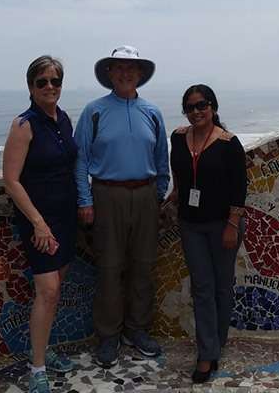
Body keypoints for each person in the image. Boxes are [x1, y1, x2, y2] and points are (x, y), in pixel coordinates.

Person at [74, 45, 170, 368]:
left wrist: (156, 196)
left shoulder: (153, 113)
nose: (126, 73)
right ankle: (108, 336)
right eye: (119, 67)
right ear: (110, 73)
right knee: (110, 268)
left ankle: (137, 330)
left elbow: (162, 161)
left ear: (140, 74)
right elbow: (81, 159)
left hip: (144, 195)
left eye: (132, 68)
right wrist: (85, 200)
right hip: (107, 195)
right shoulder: (94, 111)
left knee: (143, 265)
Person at [2, 56, 77, 393]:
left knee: (56, 288)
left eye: (55, 81)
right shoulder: (23, 124)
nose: (50, 87)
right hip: (40, 221)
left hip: (67, 215)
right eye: (42, 82)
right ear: (30, 86)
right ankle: (37, 368)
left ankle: (45, 351)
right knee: (46, 292)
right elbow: (11, 181)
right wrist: (38, 223)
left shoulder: (64, 120)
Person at [168, 84, 247, 384]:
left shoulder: (229, 143)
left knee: (222, 287)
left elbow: (239, 189)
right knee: (202, 288)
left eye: (202, 105)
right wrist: (175, 193)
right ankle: (206, 353)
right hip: (191, 224)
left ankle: (218, 340)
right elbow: (179, 171)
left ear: (213, 107)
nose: (196, 111)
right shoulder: (178, 138)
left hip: (222, 224)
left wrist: (231, 225)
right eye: (190, 107)